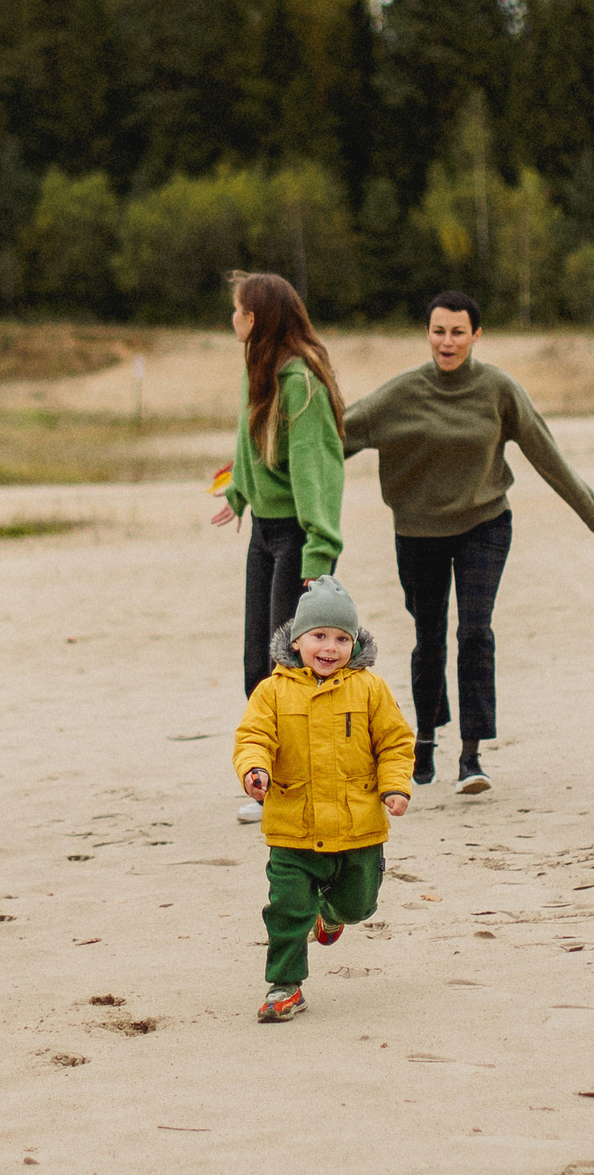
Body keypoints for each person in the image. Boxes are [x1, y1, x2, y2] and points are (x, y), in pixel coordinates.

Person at [345, 291, 594, 795]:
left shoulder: (497, 389)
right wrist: (265, 468)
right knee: (429, 636)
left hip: (484, 525)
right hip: (417, 531)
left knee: (474, 631)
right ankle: (423, 738)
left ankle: (471, 755)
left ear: (476, 335)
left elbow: (542, 448)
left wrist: (589, 511)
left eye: (458, 332)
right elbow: (336, 435)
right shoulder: (399, 394)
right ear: (427, 333)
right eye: (439, 331)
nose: (448, 341)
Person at [232, 576, 414, 1023]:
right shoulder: (272, 691)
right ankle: (285, 985)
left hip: (358, 829)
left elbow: (394, 742)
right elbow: (253, 737)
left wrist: (395, 786)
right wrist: (255, 771)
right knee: (287, 908)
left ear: (354, 644)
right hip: (293, 826)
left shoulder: (370, 689)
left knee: (359, 904)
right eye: (319, 636)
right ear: (297, 642)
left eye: (341, 638)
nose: (329, 648)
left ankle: (331, 914)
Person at [209, 271, 346, 824]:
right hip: (266, 533)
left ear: (255, 319)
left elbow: (317, 469)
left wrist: (319, 553)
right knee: (257, 663)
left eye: (238, 310)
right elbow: (254, 442)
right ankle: (267, 776)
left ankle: (297, 781)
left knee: (290, 664)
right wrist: (240, 492)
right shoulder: (258, 371)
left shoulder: (298, 383)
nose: (232, 318)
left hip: (298, 537)